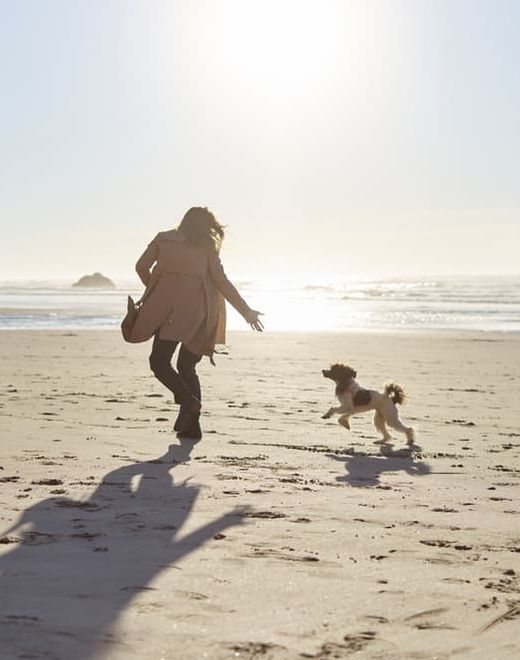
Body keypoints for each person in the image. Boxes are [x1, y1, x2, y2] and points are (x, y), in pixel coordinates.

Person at [127, 207, 263, 440]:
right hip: (199, 313)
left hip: (167, 311)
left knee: (159, 361)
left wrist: (157, 289)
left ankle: (188, 401)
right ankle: (193, 425)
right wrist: (246, 311)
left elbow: (141, 266)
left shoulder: (163, 238)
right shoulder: (207, 247)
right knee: (187, 366)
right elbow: (222, 282)